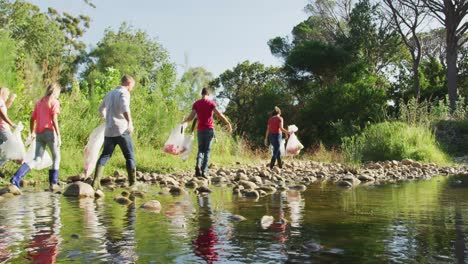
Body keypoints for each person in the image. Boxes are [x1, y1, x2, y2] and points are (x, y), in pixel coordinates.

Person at [10, 83, 61, 190]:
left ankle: (16, 177)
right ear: (56, 92)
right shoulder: (54, 102)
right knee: (56, 157)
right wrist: (58, 134)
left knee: (37, 159)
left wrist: (32, 132)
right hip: (50, 132)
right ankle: (53, 183)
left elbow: (32, 118)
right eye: (58, 93)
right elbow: (54, 119)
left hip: (39, 134)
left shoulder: (39, 103)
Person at [92, 75, 136, 190]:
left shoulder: (110, 93)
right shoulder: (124, 93)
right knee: (129, 156)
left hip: (109, 130)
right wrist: (130, 123)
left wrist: (105, 117)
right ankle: (132, 184)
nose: (132, 88)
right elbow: (125, 108)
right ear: (129, 83)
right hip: (122, 130)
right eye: (132, 85)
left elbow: (100, 108)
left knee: (105, 155)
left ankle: (96, 182)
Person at [182, 87, 232, 177]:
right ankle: (204, 171)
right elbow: (219, 114)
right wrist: (227, 123)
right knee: (207, 151)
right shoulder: (211, 103)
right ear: (209, 94)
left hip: (200, 130)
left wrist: (184, 122)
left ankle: (197, 166)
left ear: (202, 94)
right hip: (209, 130)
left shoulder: (196, 104)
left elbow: (191, 117)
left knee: (200, 150)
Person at [0, 87, 17, 167]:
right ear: (2, 93)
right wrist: (12, 124)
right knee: (13, 148)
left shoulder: (1, 102)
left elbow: (5, 108)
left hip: (1, 129)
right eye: (7, 95)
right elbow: (2, 114)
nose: (7, 97)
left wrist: (11, 100)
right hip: (3, 129)